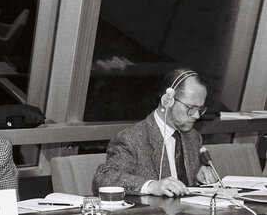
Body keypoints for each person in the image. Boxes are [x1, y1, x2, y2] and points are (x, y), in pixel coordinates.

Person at [92, 68, 218, 197]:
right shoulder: (131, 138)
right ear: (167, 101)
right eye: (191, 108)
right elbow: (104, 178)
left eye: (200, 108)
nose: (197, 115)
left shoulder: (193, 137)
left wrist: (200, 174)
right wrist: (151, 186)